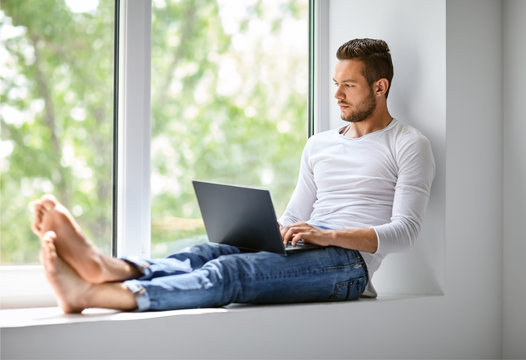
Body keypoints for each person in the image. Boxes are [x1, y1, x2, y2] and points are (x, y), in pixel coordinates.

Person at [31, 38, 435, 313]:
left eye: (349, 85)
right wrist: (271, 228)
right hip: (307, 245)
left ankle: (98, 294)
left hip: (347, 267)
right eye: (335, 83)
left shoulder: (407, 143)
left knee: (232, 274)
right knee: (206, 253)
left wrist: (326, 235)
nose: (337, 95)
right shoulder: (319, 144)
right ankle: (108, 267)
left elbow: (406, 231)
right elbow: (296, 215)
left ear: (380, 87)